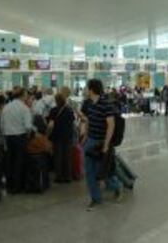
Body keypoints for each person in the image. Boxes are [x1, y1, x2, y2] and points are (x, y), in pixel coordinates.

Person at [81, 79, 122, 211]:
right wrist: (86, 136)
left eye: (86, 87)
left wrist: (106, 144)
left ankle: (117, 186)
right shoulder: (89, 104)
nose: (84, 90)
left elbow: (111, 125)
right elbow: (88, 120)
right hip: (90, 141)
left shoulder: (106, 104)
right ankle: (96, 198)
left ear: (91, 89)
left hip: (101, 143)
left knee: (104, 172)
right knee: (89, 172)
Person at [1, 87, 33, 194]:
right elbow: (28, 126)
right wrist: (28, 136)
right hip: (20, 137)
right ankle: (18, 186)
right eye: (25, 95)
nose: (27, 96)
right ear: (22, 96)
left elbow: (2, 124)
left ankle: (10, 186)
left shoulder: (6, 107)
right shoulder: (24, 108)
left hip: (8, 137)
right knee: (20, 162)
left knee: (10, 161)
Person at [48, 93, 75, 183]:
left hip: (57, 136)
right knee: (67, 156)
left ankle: (59, 177)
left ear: (56, 101)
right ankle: (67, 176)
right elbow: (72, 123)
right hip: (68, 136)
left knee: (58, 157)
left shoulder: (53, 110)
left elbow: (51, 125)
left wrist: (47, 134)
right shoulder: (69, 110)